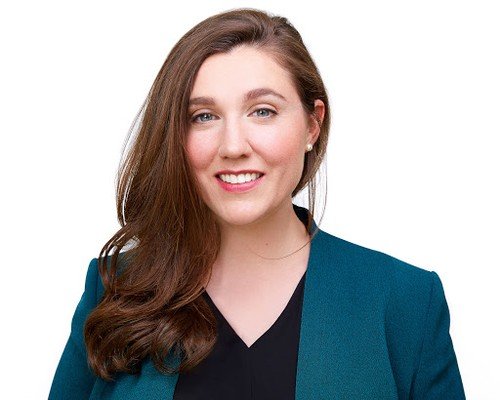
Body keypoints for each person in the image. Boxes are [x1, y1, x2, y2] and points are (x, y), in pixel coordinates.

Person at [49, 7, 466, 400]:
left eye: (263, 111)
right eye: (204, 116)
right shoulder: (114, 289)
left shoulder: (406, 301)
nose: (233, 146)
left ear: (312, 124)